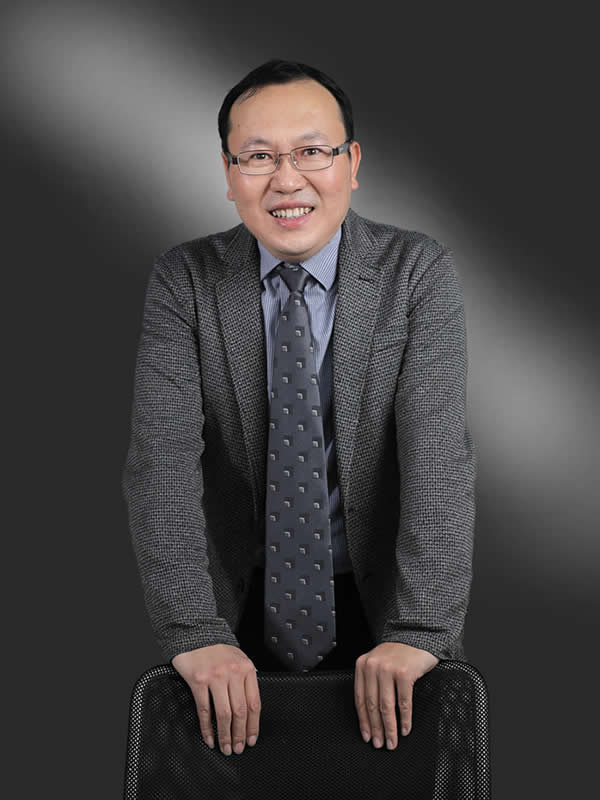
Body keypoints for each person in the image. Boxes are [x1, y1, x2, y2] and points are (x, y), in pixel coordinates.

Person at [122, 59, 476, 760]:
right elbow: (160, 464)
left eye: (313, 151)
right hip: (233, 616)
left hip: (387, 612)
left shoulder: (417, 272)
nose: (287, 180)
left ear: (352, 163)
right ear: (228, 175)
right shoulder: (184, 280)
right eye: (258, 157)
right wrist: (193, 631)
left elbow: (438, 463)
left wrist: (420, 630)